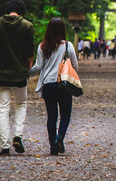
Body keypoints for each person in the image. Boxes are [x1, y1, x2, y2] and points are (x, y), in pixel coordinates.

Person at [0, 0, 34, 156]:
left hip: (2, 74)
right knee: (21, 105)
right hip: (20, 74)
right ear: (21, 11)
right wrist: (29, 68)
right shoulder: (27, 26)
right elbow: (29, 53)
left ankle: (5, 146)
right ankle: (18, 136)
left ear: (8, 10)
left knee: (3, 108)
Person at [28, 18, 78, 155]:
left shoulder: (42, 46)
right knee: (66, 114)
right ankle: (59, 138)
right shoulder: (68, 46)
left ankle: (53, 147)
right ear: (63, 29)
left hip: (48, 85)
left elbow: (38, 67)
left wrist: (25, 74)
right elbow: (75, 66)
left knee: (52, 116)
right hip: (64, 84)